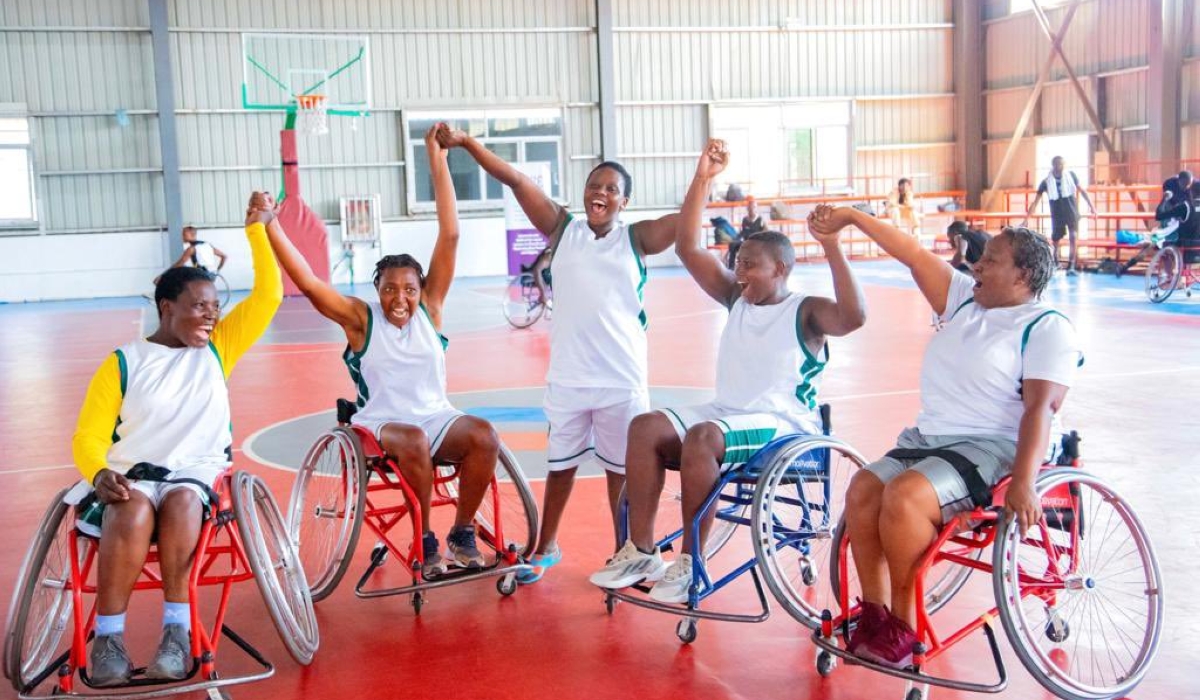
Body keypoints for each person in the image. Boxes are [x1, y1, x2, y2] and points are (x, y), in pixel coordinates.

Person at [588, 140, 866, 602]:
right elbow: (687, 247)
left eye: (750, 265)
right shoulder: (737, 298)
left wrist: (832, 245)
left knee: (703, 437)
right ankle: (641, 551)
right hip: (730, 415)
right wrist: (703, 177)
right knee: (645, 426)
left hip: (783, 426)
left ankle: (690, 562)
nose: (739, 271)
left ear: (780, 269)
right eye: (737, 262)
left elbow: (855, 317)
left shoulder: (806, 311)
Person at [807, 205, 1082, 670]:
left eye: (991, 260)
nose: (977, 264)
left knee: (905, 497)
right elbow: (912, 254)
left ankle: (904, 623)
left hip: (993, 446)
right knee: (864, 489)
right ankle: (875, 615)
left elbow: (1040, 410)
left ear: (1022, 276)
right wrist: (853, 218)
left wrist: (1024, 481)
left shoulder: (1046, 327)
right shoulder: (964, 301)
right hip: (929, 439)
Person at [439, 126, 683, 585]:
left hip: (621, 378)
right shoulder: (563, 229)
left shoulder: (636, 239)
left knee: (620, 473)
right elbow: (514, 180)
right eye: (594, 185)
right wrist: (468, 144)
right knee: (560, 466)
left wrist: (705, 177)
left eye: (611, 189)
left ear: (624, 201)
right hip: (570, 376)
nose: (600, 193)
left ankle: (625, 551)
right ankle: (546, 546)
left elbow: (684, 221)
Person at [265, 124, 500, 577]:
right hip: (382, 423)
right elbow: (310, 284)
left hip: (435, 416)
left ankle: (461, 531)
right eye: (390, 288)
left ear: (420, 290)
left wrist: (436, 157)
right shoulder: (361, 319)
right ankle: (425, 537)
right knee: (413, 439)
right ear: (378, 290)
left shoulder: (430, 310)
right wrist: (272, 225)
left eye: (409, 289)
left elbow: (450, 235)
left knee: (484, 435)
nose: (400, 298)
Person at [70, 192, 283, 686]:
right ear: (167, 308)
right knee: (130, 509)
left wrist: (258, 228)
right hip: (136, 472)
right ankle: (108, 639)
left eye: (215, 307)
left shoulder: (219, 347)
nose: (210, 316)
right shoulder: (123, 363)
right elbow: (89, 435)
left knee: (184, 502)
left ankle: (177, 632)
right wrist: (98, 472)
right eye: (198, 307)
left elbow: (269, 295)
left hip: (196, 470)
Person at [1023, 156, 1097, 275]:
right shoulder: (1046, 182)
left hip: (1071, 210)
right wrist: (1027, 219)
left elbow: (1082, 191)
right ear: (1053, 166)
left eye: (1061, 164)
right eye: (1057, 164)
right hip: (1057, 213)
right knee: (1056, 239)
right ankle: (1056, 262)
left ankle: (1071, 265)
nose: (1059, 167)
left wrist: (1092, 207)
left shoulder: (1071, 176)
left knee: (1073, 236)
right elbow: (1035, 202)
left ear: (1064, 165)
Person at [153, 226, 228, 286]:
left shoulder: (191, 249)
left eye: (184, 234)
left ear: (192, 235)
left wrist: (162, 276)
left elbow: (179, 264)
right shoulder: (207, 245)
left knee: (176, 277)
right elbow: (224, 256)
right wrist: (217, 270)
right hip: (212, 275)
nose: (181, 236)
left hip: (201, 276)